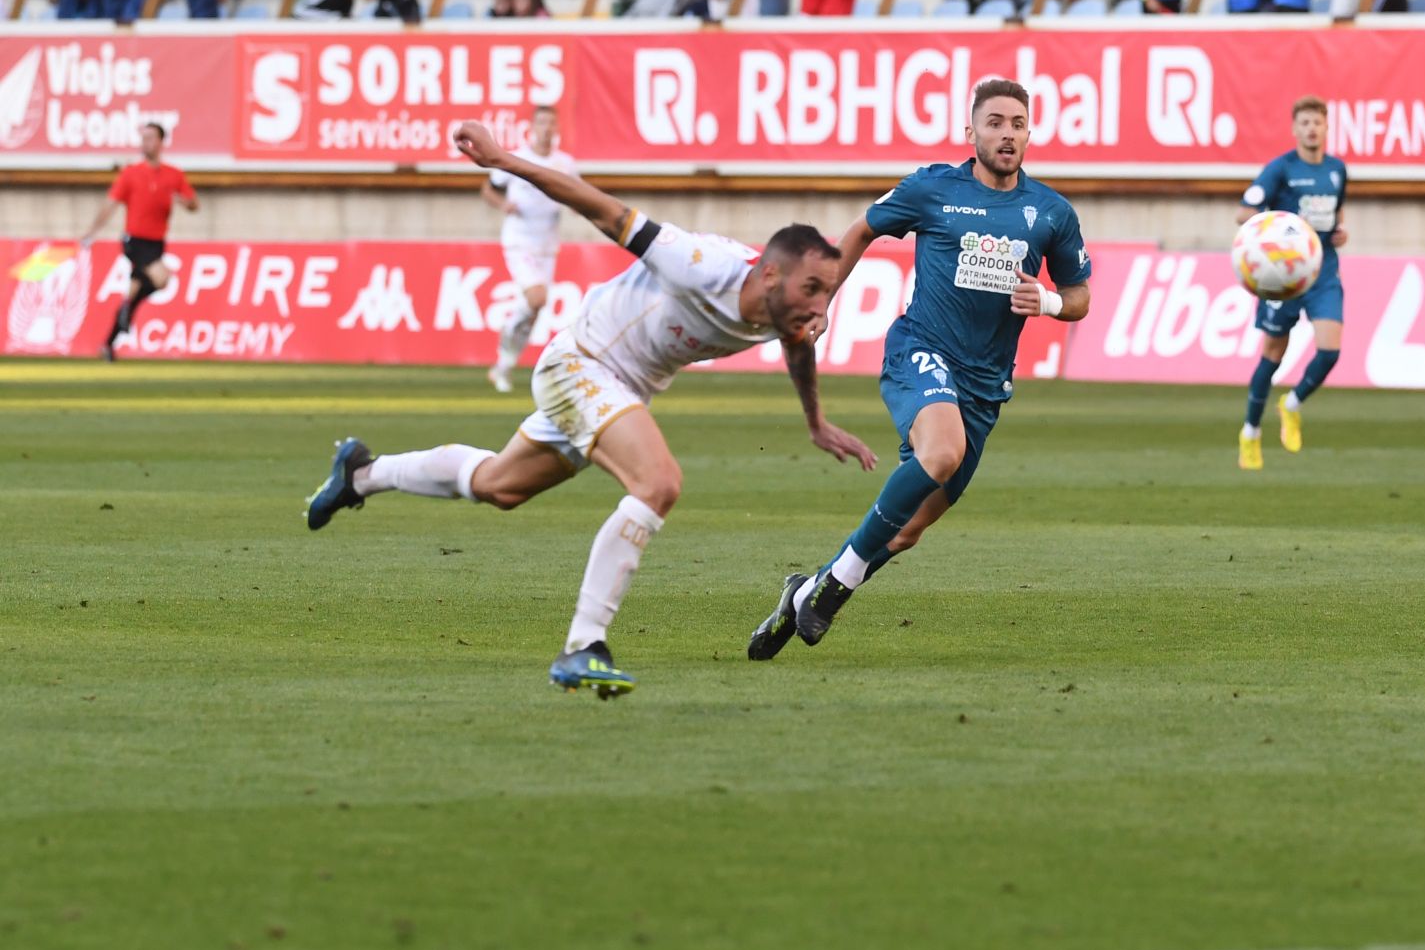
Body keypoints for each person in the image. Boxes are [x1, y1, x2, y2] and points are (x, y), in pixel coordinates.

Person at [306, 120, 875, 700]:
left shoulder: (787, 312)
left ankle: (360, 474)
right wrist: (503, 159)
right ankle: (584, 646)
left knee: (500, 486)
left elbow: (798, 348)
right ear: (771, 274)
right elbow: (602, 209)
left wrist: (815, 421)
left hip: (620, 386)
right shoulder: (701, 264)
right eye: (812, 290)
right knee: (658, 484)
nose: (819, 307)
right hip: (580, 362)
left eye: (828, 294)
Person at [747, 79, 1090, 661]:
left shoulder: (1051, 213)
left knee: (907, 530)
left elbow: (1079, 294)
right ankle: (833, 590)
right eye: (995, 122)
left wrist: (1051, 303)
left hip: (986, 386)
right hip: (921, 351)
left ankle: (805, 590)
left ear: (1030, 133)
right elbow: (860, 230)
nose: (1007, 134)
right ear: (971, 132)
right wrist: (823, 299)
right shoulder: (933, 187)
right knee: (941, 452)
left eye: (1017, 124)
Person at [1235, 95, 1347, 471]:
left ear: (1326, 127)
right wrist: (1273, 235)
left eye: (1318, 122)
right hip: (1284, 278)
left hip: (1323, 271)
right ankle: (1250, 432)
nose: (1311, 129)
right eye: (1305, 123)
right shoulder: (1280, 169)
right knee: (1273, 355)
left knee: (1330, 351)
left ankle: (1293, 404)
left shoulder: (1336, 170)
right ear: (1295, 128)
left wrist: (1338, 231)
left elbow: (1336, 210)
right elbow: (1245, 211)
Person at [79, 122, 199, 360]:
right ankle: (127, 309)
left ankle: (109, 344)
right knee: (163, 279)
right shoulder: (131, 173)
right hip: (134, 240)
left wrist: (184, 202)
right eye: (143, 138)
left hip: (157, 242)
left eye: (151, 138)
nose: (146, 143)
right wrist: (92, 231)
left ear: (161, 142)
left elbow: (194, 204)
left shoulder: (174, 175)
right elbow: (110, 204)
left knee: (134, 293)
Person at [479, 105, 575, 393]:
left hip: (547, 245)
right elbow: (488, 189)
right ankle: (507, 337)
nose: (547, 128)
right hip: (519, 241)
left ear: (556, 128)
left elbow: (577, 193)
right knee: (536, 298)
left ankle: (503, 366)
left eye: (551, 123)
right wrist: (503, 205)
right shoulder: (518, 159)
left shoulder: (565, 163)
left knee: (535, 308)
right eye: (542, 122)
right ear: (533, 127)